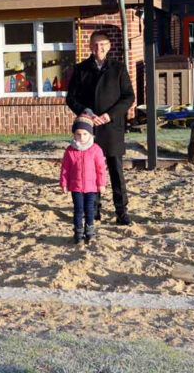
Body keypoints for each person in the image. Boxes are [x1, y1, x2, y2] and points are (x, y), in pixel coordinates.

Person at [66, 31, 135, 225]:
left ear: (109, 46)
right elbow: (71, 99)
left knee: (116, 171)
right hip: (89, 129)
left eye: (103, 44)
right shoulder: (80, 69)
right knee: (89, 170)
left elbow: (128, 97)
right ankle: (93, 209)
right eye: (95, 45)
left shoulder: (118, 68)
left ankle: (121, 211)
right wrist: (86, 113)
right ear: (89, 46)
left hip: (112, 126)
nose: (99, 48)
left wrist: (109, 115)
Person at [60, 115, 108, 244]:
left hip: (91, 187)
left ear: (91, 135)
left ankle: (89, 231)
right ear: (74, 135)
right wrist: (64, 183)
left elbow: (101, 169)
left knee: (90, 209)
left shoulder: (96, 149)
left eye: (85, 134)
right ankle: (78, 232)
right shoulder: (70, 150)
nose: (81, 138)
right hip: (76, 187)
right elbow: (65, 168)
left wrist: (101, 184)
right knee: (78, 209)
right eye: (78, 134)